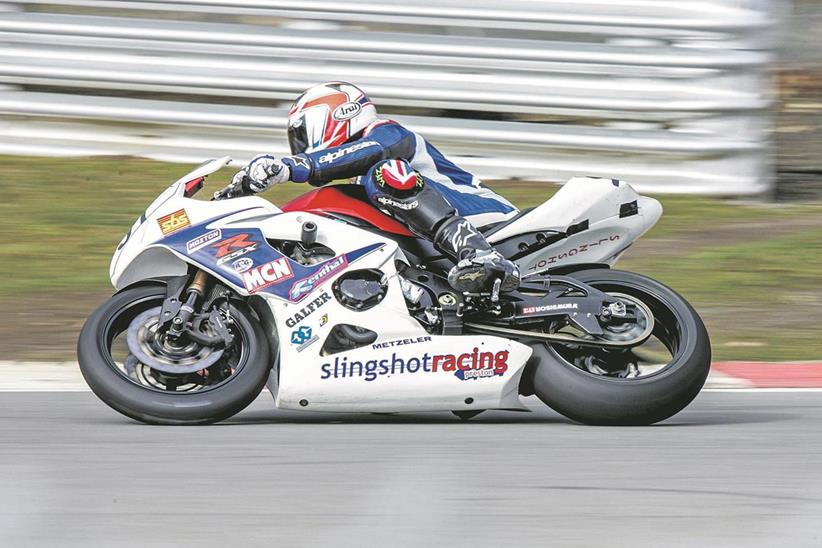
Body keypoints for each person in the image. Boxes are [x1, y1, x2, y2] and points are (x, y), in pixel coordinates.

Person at [216, 81, 520, 294]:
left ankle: (481, 256)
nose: (301, 146)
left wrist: (291, 166)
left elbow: (370, 152)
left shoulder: (387, 134)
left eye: (302, 134)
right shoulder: (357, 178)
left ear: (334, 115)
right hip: (431, 241)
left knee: (387, 174)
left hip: (486, 216)